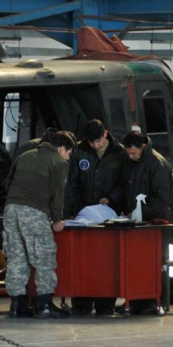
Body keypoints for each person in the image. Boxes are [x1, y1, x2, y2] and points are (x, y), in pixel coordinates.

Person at [2, 130, 76, 319]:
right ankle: (44, 304)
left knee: (17, 258)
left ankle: (17, 305)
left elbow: (8, 181)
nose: (68, 158)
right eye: (69, 153)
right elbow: (58, 193)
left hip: (11, 209)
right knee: (43, 257)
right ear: (61, 149)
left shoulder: (25, 155)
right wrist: (57, 219)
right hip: (34, 211)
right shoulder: (58, 162)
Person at [65, 119, 125, 316]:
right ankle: (81, 302)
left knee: (106, 262)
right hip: (83, 217)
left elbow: (125, 183)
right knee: (82, 262)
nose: (95, 145)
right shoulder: (79, 153)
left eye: (98, 140)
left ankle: (105, 303)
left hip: (109, 215)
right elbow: (72, 184)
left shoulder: (119, 153)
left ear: (105, 134)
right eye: (91, 142)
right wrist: (68, 214)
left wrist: (112, 198)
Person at [116, 130, 173, 315]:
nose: (130, 156)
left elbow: (161, 198)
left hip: (154, 222)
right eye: (128, 153)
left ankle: (154, 300)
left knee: (155, 262)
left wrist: (141, 212)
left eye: (133, 153)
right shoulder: (130, 162)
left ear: (142, 147)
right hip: (136, 222)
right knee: (135, 262)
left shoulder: (157, 164)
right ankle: (136, 299)